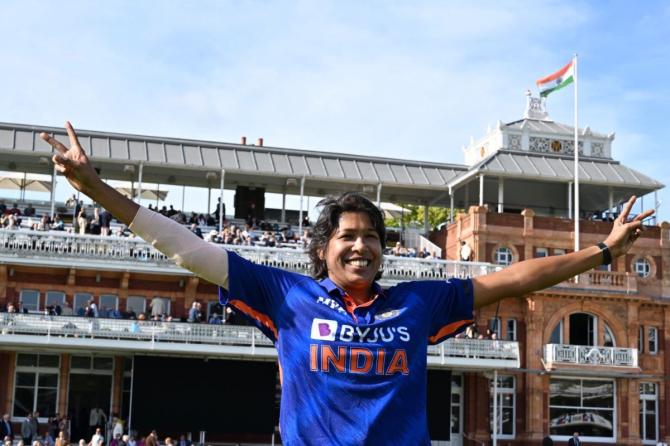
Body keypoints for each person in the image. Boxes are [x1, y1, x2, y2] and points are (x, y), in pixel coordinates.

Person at [41, 122, 653, 445]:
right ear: (323, 248)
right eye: (347, 236)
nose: (361, 245)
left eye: (371, 236)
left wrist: (599, 250)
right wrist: (97, 192)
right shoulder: (287, 297)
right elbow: (188, 248)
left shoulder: (419, 301)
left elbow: (515, 276)